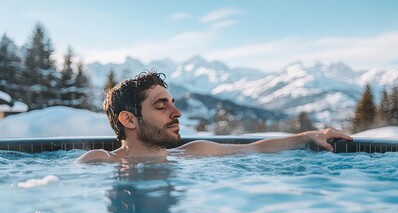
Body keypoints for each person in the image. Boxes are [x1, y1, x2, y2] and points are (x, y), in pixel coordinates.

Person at [76, 70, 352, 163]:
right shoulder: (100, 161)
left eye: (172, 103)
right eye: (161, 107)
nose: (177, 113)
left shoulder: (193, 152)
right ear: (129, 120)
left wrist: (310, 135)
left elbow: (256, 148)